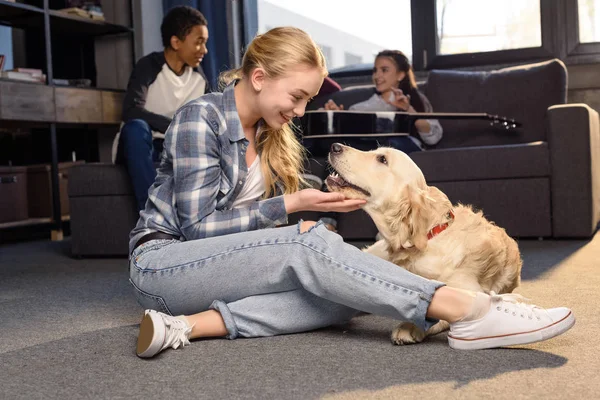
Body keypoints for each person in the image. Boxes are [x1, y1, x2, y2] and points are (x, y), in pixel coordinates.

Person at [129, 27, 574, 358]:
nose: (301, 111)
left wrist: (318, 207)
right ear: (260, 77)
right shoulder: (198, 120)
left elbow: (252, 237)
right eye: (298, 96)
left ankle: (186, 326)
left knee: (348, 291)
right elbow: (197, 229)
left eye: (308, 100)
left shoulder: (270, 133)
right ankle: (469, 310)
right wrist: (294, 206)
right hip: (164, 265)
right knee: (309, 247)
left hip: (210, 276)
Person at [115, 6, 210, 211]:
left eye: (205, 43)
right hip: (140, 145)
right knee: (136, 127)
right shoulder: (149, 66)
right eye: (199, 42)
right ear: (176, 42)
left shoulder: (199, 78)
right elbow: (131, 110)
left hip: (170, 149)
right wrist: (173, 126)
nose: (204, 50)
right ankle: (153, 214)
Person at [323, 50, 442, 154]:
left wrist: (408, 109)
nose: (377, 75)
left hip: (400, 149)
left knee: (390, 145)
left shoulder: (416, 99)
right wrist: (337, 117)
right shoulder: (361, 106)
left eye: (384, 70)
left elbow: (433, 138)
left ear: (400, 75)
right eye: (375, 70)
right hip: (369, 150)